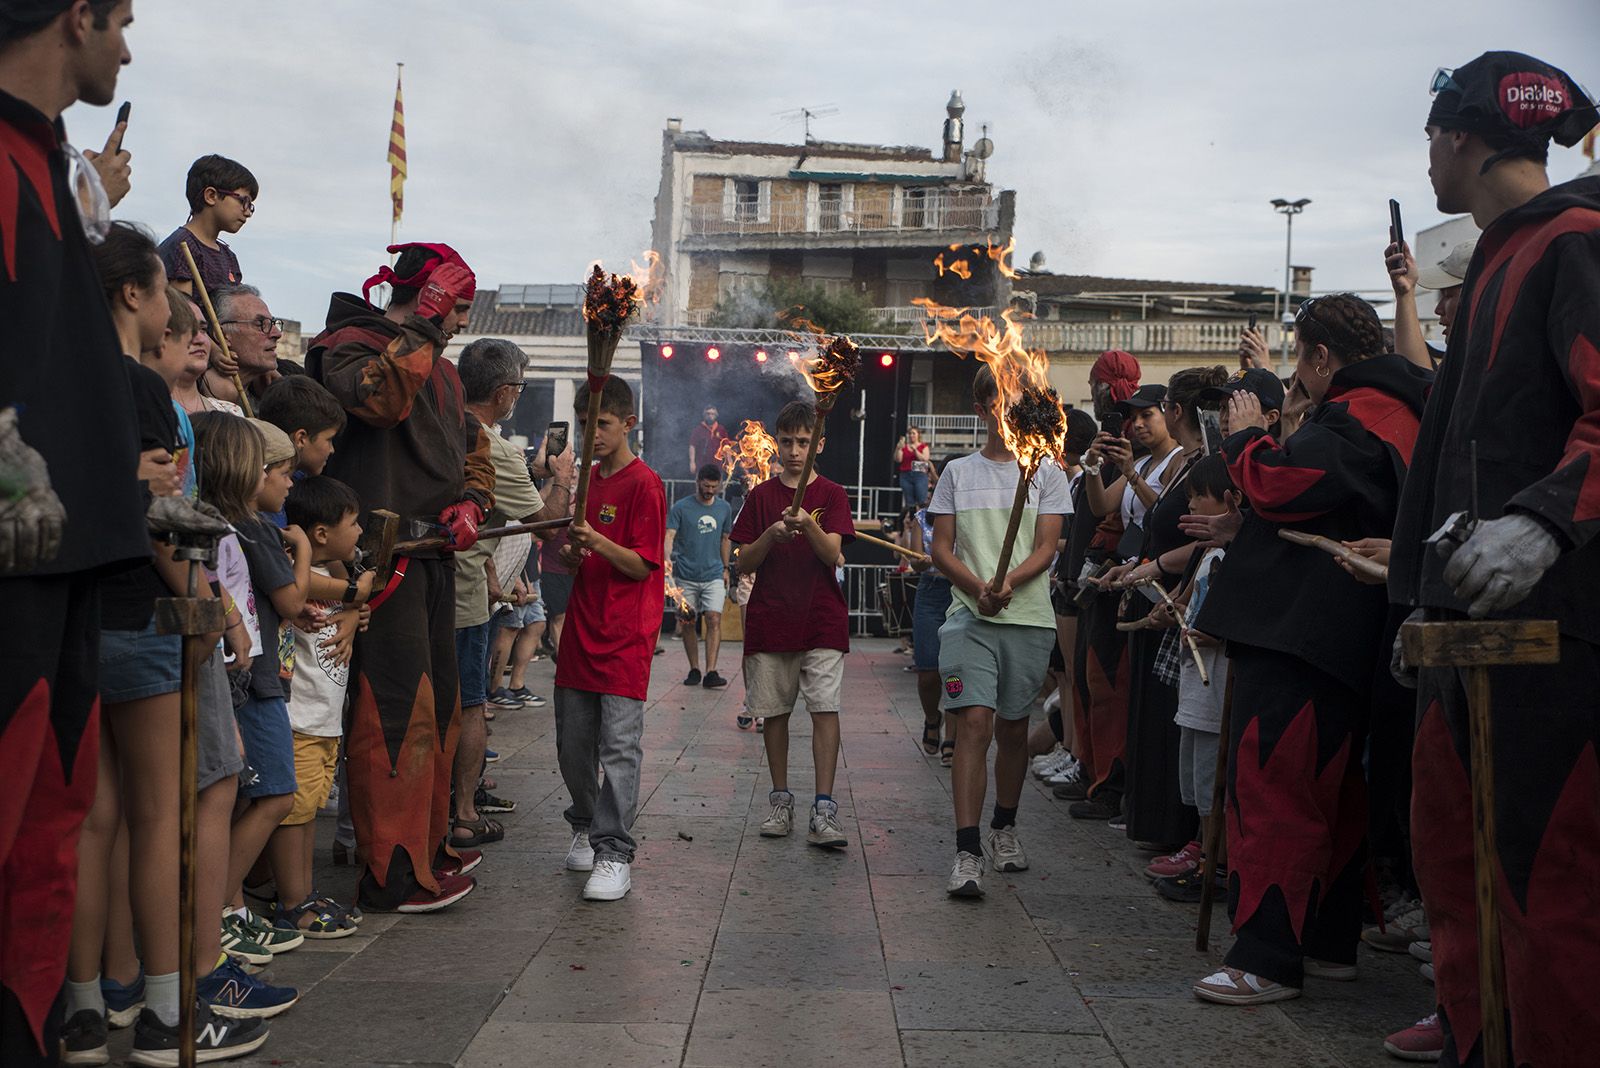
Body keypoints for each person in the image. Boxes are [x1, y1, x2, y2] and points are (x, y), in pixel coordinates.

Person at [1388, 51, 1600, 1067]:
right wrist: (1417, 599)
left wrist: (1546, 520)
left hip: (1553, 635)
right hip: (1467, 630)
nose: (1427, 157)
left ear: (1462, 135)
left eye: (1431, 136)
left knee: (1544, 883)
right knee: (1457, 867)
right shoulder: (1494, 262)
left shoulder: (1575, 240)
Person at [1193, 293, 1429, 1006]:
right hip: (1339, 636)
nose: (1296, 374)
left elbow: (1279, 484)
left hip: (1305, 634)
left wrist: (1247, 436)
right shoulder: (1391, 409)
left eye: (1301, 358)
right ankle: (1326, 943)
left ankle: (1266, 957)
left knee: (1277, 788)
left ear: (1322, 355)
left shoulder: (1365, 414)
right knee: (1334, 794)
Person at [0, 6, 153, 1061]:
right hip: (15, 561)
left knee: (43, 841)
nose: (127, 49)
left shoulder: (48, 162)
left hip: (70, 561)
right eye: (122, 20)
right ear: (76, 15)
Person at [306, 241, 490, 913]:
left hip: (435, 558)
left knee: (438, 708)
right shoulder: (346, 347)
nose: (462, 321)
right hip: (380, 563)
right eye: (457, 306)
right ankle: (391, 874)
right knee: (392, 711)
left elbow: (474, 450)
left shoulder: (443, 370)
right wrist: (426, 324)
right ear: (429, 296)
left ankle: (427, 849)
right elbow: (379, 402)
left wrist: (473, 502)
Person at [930, 366, 1071, 897]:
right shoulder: (957, 472)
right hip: (969, 617)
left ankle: (1003, 827)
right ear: (981, 409)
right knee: (974, 724)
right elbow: (941, 549)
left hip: (1028, 618)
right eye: (998, 403)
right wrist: (979, 588)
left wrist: (1006, 583)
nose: (1007, 412)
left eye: (1014, 402)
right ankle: (967, 851)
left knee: (1014, 729)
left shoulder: (1047, 472)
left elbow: (1046, 547)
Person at [452, 338, 574, 846]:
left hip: (435, 585)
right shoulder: (494, 448)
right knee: (471, 704)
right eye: (519, 388)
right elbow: (547, 522)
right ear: (503, 393)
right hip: (462, 597)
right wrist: (561, 479)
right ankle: (463, 814)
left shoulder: (444, 425)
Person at [553, 377, 665, 901]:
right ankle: (584, 822)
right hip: (581, 629)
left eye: (601, 423)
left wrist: (596, 541)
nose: (591, 433)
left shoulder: (646, 485)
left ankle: (614, 851)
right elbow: (577, 557)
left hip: (625, 635)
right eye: (585, 423)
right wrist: (574, 554)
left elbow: (642, 565)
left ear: (628, 424)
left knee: (619, 746)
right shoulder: (587, 481)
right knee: (572, 745)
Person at [1109, 367, 1229, 852]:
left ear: (1176, 411)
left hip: (1183, 605)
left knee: (1183, 729)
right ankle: (1161, 827)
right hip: (1165, 598)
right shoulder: (1190, 461)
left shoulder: (1205, 461)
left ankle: (1185, 838)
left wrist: (1159, 573)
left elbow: (1206, 540)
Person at [732, 400, 855, 850]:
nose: (795, 451)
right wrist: (771, 534)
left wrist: (807, 525)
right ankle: (780, 800)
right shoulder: (761, 496)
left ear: (818, 444)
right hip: (771, 617)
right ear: (775, 444)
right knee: (774, 712)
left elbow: (832, 554)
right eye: (787, 442)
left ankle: (824, 807)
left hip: (821, 618)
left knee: (824, 708)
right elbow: (743, 561)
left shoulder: (833, 494)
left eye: (804, 442)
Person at [1072, 380, 1183, 821]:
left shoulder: (1176, 461)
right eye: (1132, 418)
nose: (1137, 425)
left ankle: (1125, 789)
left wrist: (1133, 474)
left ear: (1169, 415)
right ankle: (1114, 784)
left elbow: (1165, 515)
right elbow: (1101, 506)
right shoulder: (1146, 462)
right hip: (1131, 584)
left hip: (1159, 587)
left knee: (1131, 694)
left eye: (1147, 416)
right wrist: (1094, 467)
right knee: (1108, 687)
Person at [270, 475, 364, 939]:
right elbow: (344, 588)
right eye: (354, 523)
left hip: (324, 722)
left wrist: (355, 608)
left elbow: (354, 592)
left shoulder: (333, 575)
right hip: (301, 719)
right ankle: (292, 902)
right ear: (321, 533)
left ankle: (302, 893)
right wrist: (357, 598)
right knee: (295, 813)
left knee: (307, 812)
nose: (360, 531)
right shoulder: (298, 573)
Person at [1146, 454, 1238, 902]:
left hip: (1217, 684)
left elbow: (1237, 619)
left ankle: (1217, 866)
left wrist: (1215, 632)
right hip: (1195, 687)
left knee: (1214, 780)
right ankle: (1205, 850)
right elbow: (1192, 602)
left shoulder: (1236, 556)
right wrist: (1176, 611)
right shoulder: (1206, 553)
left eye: (1199, 496)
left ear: (1230, 500)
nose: (1192, 505)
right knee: (1199, 781)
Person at [666, 463, 733, 688]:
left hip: (714, 574)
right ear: (698, 482)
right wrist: (666, 559)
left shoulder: (724, 508)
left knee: (713, 618)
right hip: (686, 575)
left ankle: (711, 671)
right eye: (706, 486)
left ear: (719, 485)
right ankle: (694, 668)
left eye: (714, 487)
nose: (710, 491)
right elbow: (670, 535)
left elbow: (725, 539)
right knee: (688, 622)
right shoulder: (681, 507)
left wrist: (726, 568)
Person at [157, 153, 255, 295]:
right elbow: (182, 308)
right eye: (243, 201)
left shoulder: (228, 256)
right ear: (211, 196)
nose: (248, 212)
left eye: (250, 205)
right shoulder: (183, 246)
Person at [205, 283, 283, 408]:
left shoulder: (274, 400)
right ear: (222, 335)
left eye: (272, 323)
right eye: (260, 323)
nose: (277, 334)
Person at [895, 425, 932, 508]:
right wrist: (898, 448)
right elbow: (898, 459)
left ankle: (921, 514)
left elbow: (925, 459)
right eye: (910, 433)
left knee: (921, 500)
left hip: (920, 474)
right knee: (909, 502)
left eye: (913, 433)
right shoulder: (904, 447)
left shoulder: (923, 446)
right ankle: (911, 514)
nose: (911, 435)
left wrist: (915, 450)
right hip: (906, 474)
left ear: (918, 434)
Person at [688, 405, 728, 476]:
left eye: (712, 414)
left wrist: (729, 462)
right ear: (704, 415)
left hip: (717, 466)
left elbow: (726, 446)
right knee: (702, 482)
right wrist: (692, 462)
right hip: (702, 465)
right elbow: (692, 446)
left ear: (716, 415)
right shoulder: (698, 429)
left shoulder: (721, 429)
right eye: (708, 414)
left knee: (717, 482)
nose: (710, 416)